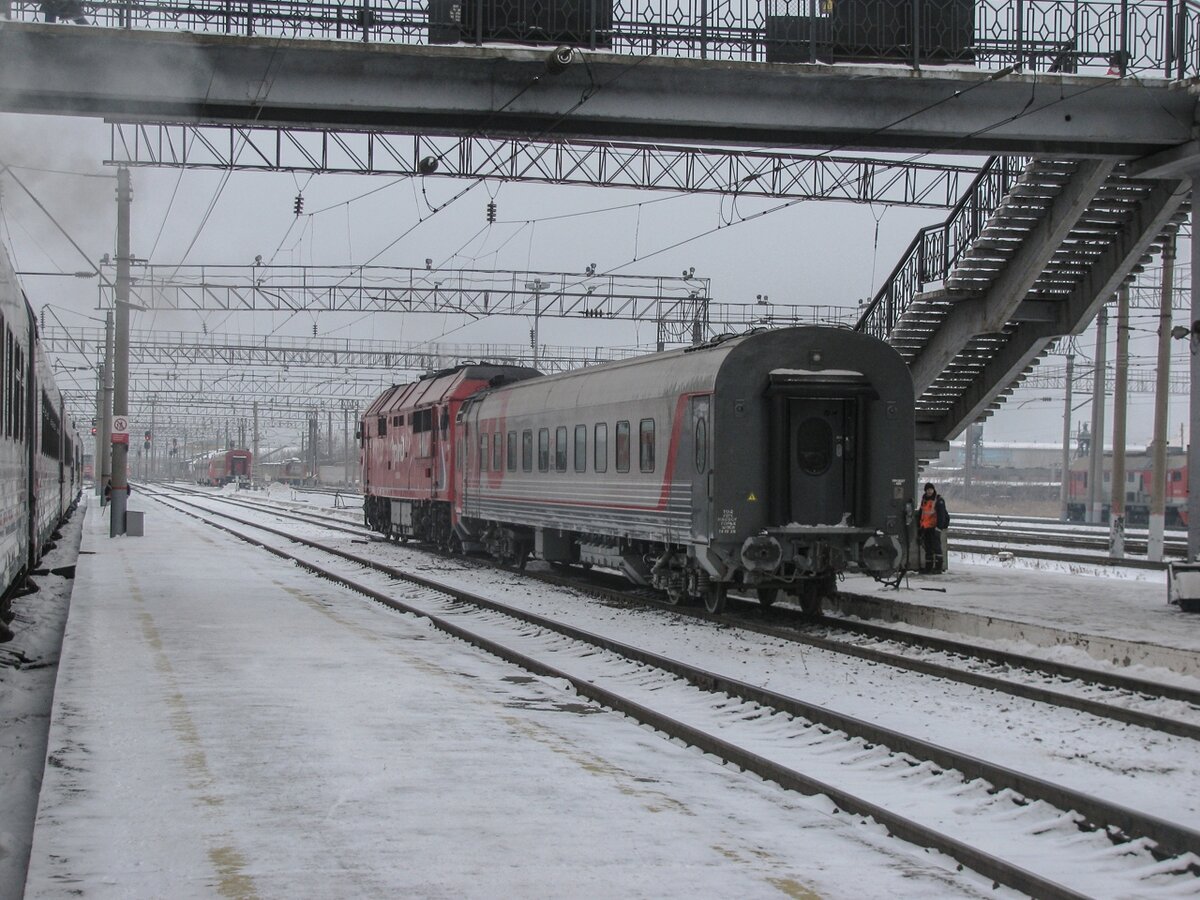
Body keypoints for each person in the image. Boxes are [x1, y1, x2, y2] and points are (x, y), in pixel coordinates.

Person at [918, 482, 949, 574]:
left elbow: (941, 515)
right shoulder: (924, 500)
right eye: (928, 489)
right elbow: (922, 514)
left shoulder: (938, 500)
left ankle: (938, 568)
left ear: (933, 490)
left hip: (934, 528)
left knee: (936, 548)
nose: (929, 491)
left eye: (931, 489)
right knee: (928, 548)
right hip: (925, 528)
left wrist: (938, 528)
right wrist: (920, 527)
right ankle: (928, 568)